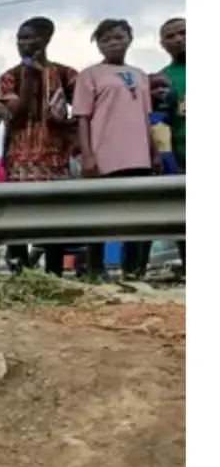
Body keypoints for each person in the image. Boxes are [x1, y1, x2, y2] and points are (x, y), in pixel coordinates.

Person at [0, 16, 78, 274]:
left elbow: (85, 109)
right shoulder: (9, 77)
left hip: (56, 159)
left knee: (55, 220)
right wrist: (30, 76)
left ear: (46, 40)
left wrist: (69, 130)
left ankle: (54, 275)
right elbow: (15, 114)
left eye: (30, 38)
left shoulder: (65, 74)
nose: (24, 44)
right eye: (20, 38)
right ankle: (19, 275)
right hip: (20, 159)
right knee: (19, 219)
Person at [74, 18, 154, 279]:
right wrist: (87, 155)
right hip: (105, 154)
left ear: (129, 39)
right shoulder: (90, 75)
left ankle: (133, 272)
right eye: (106, 39)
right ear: (98, 44)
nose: (113, 43)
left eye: (119, 37)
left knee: (137, 217)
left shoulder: (140, 75)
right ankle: (95, 270)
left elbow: (146, 116)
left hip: (139, 155)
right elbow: (83, 117)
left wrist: (153, 150)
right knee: (101, 215)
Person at [157, 16, 185, 275]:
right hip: (182, 157)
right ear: (162, 44)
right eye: (171, 36)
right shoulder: (163, 78)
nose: (178, 39)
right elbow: (161, 123)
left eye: (183, 33)